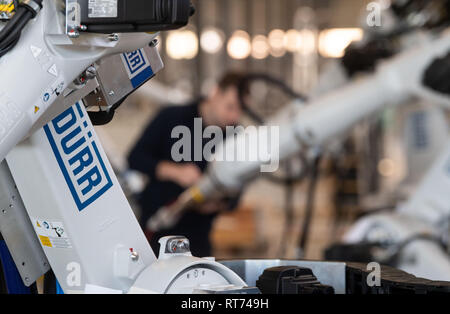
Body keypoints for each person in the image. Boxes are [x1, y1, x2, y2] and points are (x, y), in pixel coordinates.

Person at [128, 72, 246, 257]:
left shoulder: (234, 137)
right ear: (214, 93)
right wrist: (175, 171)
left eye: (240, 110)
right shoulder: (171, 117)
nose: (234, 116)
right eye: (230, 107)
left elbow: (237, 192)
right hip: (154, 235)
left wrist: (215, 203)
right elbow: (135, 158)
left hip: (198, 240)